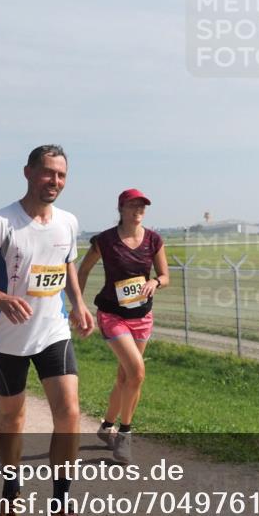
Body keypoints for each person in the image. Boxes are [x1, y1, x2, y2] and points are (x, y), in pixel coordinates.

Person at [0, 145, 94, 516]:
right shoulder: (1, 223)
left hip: (53, 331)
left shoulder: (68, 222)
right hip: (7, 341)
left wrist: (78, 304)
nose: (55, 181)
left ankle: (60, 507)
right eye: (47, 173)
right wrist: (1, 299)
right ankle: (10, 490)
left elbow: (67, 263)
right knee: (12, 420)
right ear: (28, 173)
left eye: (61, 175)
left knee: (69, 413)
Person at [77, 189, 168, 464]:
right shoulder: (104, 240)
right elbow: (83, 270)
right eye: (133, 205)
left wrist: (155, 282)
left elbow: (165, 275)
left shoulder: (154, 240)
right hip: (112, 314)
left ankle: (106, 426)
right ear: (121, 208)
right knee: (137, 372)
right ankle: (125, 435)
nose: (138, 209)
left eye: (142, 206)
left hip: (142, 315)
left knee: (125, 377)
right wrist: (77, 304)